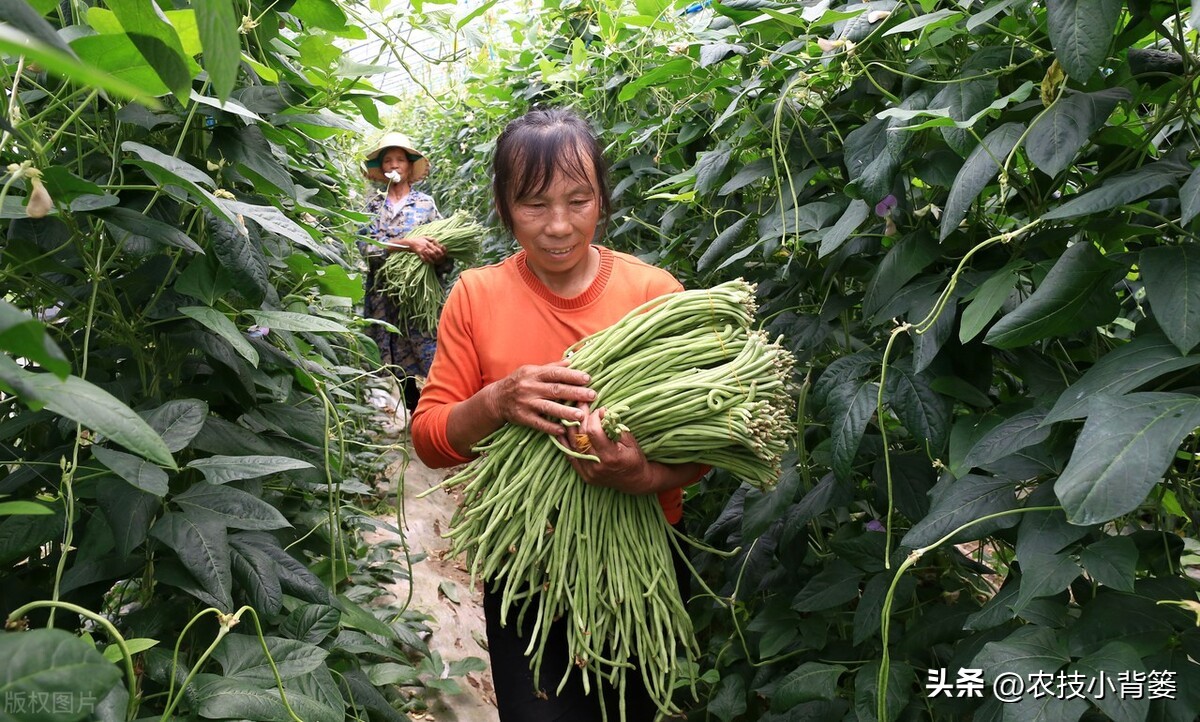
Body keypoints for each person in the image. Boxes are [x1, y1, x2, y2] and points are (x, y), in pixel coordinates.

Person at [411, 108, 705, 721]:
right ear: (501, 205)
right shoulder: (476, 295)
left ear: (602, 197)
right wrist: (496, 401)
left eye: (579, 200)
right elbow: (432, 438)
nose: (559, 226)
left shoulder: (654, 296)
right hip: (526, 568)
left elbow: (706, 441)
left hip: (639, 562)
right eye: (534, 205)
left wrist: (642, 476)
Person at [359, 131, 448, 415]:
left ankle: (442, 412)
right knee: (396, 355)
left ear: (409, 167)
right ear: (382, 169)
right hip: (384, 297)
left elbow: (443, 250)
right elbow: (367, 249)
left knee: (431, 351)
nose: (394, 165)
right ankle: (415, 409)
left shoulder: (425, 204)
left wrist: (438, 254)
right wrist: (410, 244)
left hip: (419, 296)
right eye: (388, 161)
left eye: (400, 160)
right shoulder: (372, 207)